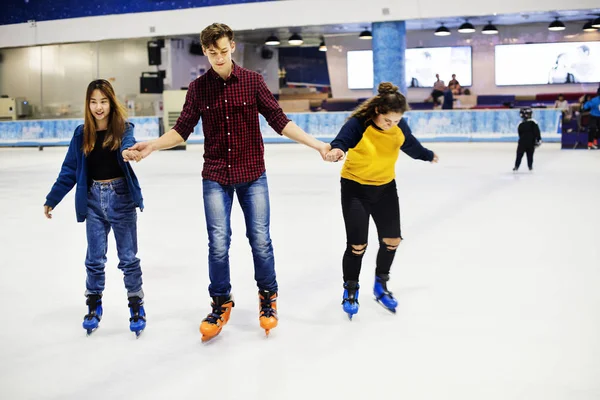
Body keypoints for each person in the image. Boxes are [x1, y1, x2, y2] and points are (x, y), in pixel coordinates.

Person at [127, 23, 330, 341]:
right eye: (212, 53)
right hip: (216, 175)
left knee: (260, 240)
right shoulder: (198, 89)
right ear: (205, 51)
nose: (218, 58)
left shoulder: (252, 82)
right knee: (218, 245)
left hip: (252, 174)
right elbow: (182, 129)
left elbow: (279, 120)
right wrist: (152, 145)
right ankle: (220, 302)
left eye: (223, 51)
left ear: (232, 46)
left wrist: (317, 145)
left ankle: (268, 297)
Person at [324, 82, 439, 319]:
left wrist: (427, 155)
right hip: (355, 188)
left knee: (392, 240)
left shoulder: (398, 126)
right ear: (377, 112)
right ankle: (351, 290)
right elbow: (342, 141)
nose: (392, 125)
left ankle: (380, 285)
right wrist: (337, 151)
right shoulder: (359, 124)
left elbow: (410, 145)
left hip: (385, 188)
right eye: (388, 121)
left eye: (397, 121)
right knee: (358, 246)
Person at [43, 79, 146, 337]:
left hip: (121, 198)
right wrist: (52, 198)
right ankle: (93, 304)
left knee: (128, 259)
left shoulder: (124, 128)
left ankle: (136, 305)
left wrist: (128, 153)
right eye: (93, 102)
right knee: (95, 259)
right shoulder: (81, 134)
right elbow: (69, 171)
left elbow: (127, 145)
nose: (98, 107)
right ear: (87, 104)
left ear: (111, 103)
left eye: (103, 101)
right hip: (92, 201)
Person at [513, 107, 541, 172]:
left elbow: (537, 132)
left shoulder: (533, 122)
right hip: (522, 142)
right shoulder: (521, 123)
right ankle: (516, 166)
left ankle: (530, 166)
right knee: (519, 155)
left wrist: (538, 139)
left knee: (530, 155)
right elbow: (520, 133)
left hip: (530, 142)